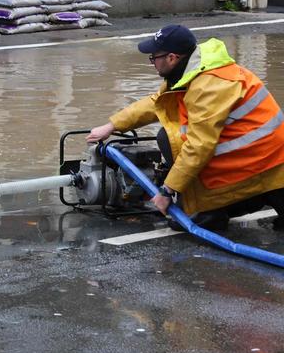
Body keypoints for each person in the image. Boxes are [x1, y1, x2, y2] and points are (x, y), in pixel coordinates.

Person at [87, 24, 284, 231]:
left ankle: (211, 210)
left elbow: (199, 146)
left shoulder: (208, 85)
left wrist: (167, 190)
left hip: (262, 160)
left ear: (172, 58)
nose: (152, 62)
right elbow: (155, 104)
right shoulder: (192, 72)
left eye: (154, 57)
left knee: (170, 138)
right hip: (266, 157)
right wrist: (112, 125)